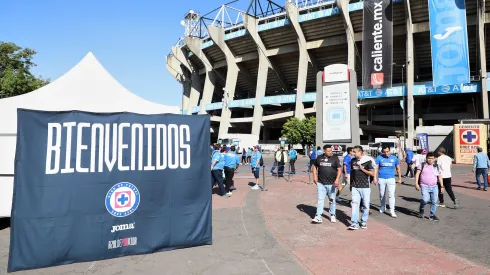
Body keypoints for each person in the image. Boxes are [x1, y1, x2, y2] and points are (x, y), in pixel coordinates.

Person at [311, 146, 342, 224]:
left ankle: (332, 215)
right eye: (328, 151)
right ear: (324, 151)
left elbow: (339, 169)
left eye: (330, 151)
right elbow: (314, 166)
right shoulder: (319, 157)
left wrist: (337, 179)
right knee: (320, 200)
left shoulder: (335, 158)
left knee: (332, 200)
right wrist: (314, 176)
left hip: (332, 183)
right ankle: (318, 216)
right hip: (321, 183)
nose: (330, 152)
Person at [348, 146, 375, 230]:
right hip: (355, 186)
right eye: (352, 151)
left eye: (354, 152)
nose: (352, 153)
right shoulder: (352, 161)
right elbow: (352, 173)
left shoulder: (367, 161)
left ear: (360, 152)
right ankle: (354, 223)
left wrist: (362, 169)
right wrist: (351, 185)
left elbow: (373, 173)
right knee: (355, 204)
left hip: (365, 186)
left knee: (366, 205)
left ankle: (363, 222)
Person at [415, 152, 444, 221]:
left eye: (432, 158)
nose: (430, 160)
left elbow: (439, 176)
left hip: (434, 186)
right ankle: (421, 209)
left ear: (434, 159)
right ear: (426, 158)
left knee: (434, 201)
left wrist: (442, 186)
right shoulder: (422, 165)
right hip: (424, 186)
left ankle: (432, 215)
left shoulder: (436, 166)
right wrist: (416, 184)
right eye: (429, 158)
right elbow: (417, 174)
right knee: (425, 199)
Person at [374, 145, 402, 218]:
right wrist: (374, 178)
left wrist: (399, 178)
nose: (386, 153)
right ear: (382, 151)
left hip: (391, 179)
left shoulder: (394, 158)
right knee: (382, 194)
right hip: (381, 178)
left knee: (391, 195)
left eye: (387, 151)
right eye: (384, 152)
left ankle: (392, 210)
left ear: (390, 151)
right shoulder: (379, 158)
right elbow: (376, 168)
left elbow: (398, 168)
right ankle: (383, 206)